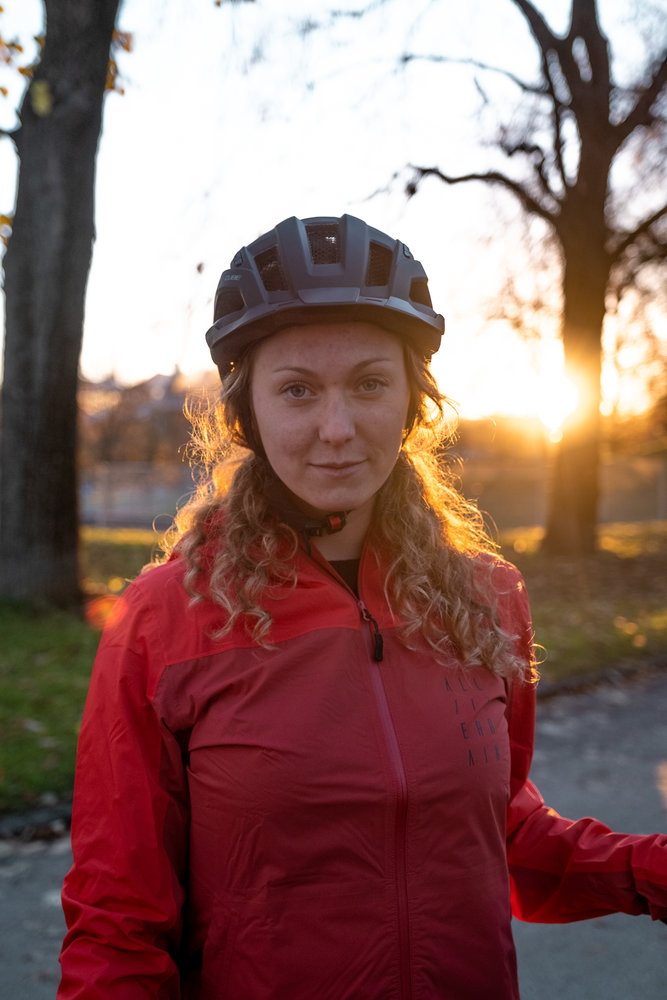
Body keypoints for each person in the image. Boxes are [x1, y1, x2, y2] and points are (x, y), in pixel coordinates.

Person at [58, 214, 667, 999]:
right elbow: (117, 920)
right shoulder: (165, 617)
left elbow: (495, 830)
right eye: (297, 390)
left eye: (370, 384)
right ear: (247, 413)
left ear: (412, 402)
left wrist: (648, 870)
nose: (337, 429)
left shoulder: (487, 598)